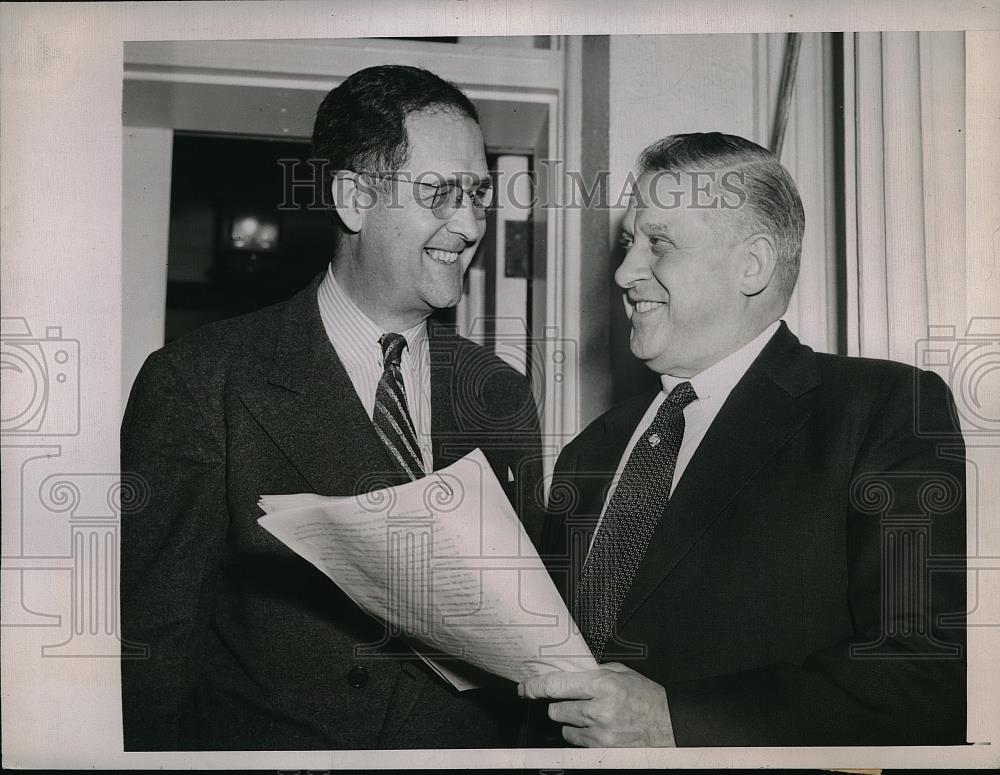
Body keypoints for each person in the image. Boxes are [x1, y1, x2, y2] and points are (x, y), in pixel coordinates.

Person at [121, 65, 545, 750]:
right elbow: (151, 655)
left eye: (479, 196)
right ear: (353, 197)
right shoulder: (200, 384)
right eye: (439, 192)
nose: (468, 225)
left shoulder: (500, 393)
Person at [520, 132, 966, 747]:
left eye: (659, 243)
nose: (625, 273)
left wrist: (677, 721)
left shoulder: (879, 410)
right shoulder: (588, 453)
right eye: (629, 242)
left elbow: (921, 678)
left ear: (751, 265)